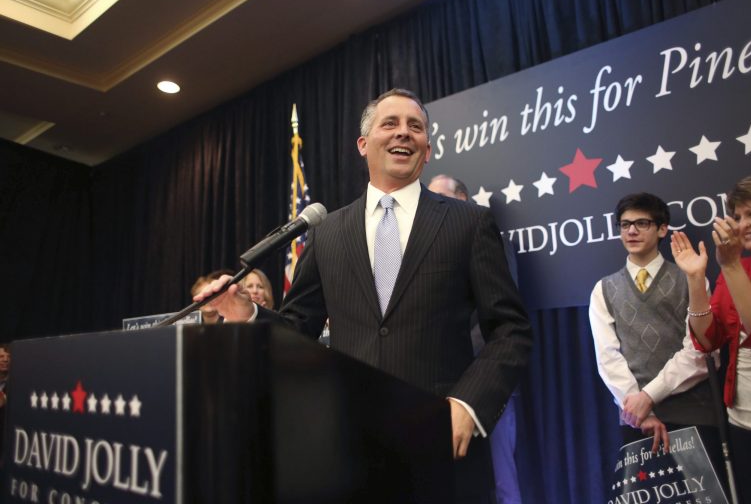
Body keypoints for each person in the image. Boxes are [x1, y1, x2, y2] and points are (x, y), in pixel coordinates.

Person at [198, 88, 532, 502]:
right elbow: (296, 330)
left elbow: (510, 331)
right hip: (350, 449)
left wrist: (468, 404)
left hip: (444, 447)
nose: (404, 134)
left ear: (427, 149)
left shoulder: (469, 223)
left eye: (416, 127)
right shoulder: (327, 233)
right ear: (362, 144)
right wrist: (246, 312)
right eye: (389, 123)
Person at [589, 193, 719, 457]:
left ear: (662, 229)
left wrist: (649, 396)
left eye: (642, 223)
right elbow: (608, 358)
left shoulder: (691, 278)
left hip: (694, 413)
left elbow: (703, 351)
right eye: (625, 225)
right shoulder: (604, 289)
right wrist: (640, 410)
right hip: (637, 420)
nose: (632, 231)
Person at [671, 173, 751, 503]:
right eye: (738, 217)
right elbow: (708, 340)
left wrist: (730, 266)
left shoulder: (734, 268)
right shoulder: (738, 269)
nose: (743, 225)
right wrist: (696, 280)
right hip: (743, 423)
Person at [429, 173, 521, 504]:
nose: (434, 206)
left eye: (441, 198)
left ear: (464, 199)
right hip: (441, 385)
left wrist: (472, 379)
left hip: (484, 382)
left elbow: (498, 319)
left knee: (499, 478)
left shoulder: (487, 236)